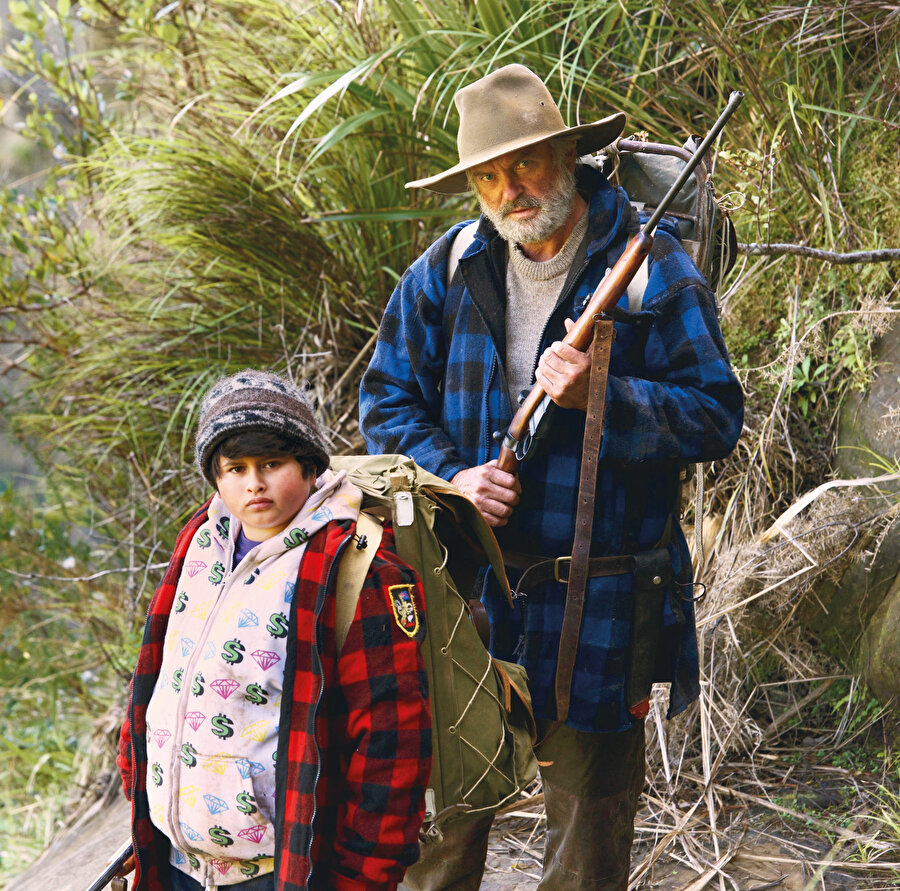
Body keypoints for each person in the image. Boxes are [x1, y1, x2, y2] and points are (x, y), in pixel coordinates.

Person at [359, 64, 744, 890]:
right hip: (469, 599)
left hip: (601, 603)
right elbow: (385, 399)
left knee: (586, 857)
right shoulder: (450, 266)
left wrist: (605, 392)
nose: (510, 190)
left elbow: (717, 414)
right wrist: (452, 476)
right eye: (490, 175)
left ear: (568, 152)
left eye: (526, 163)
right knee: (437, 842)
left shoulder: (651, 265)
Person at [116, 370, 432, 891]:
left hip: (278, 870)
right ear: (215, 477)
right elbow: (158, 669)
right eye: (235, 468)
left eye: (271, 464)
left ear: (309, 466)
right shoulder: (200, 542)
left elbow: (392, 745)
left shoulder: (355, 568)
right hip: (178, 863)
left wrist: (364, 878)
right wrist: (141, 790)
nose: (253, 483)